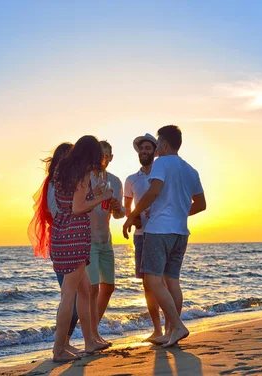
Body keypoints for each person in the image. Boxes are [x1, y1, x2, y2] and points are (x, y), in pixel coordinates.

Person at [122, 125, 206, 348]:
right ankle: (171, 332)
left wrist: (133, 215)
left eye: (158, 143)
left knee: (152, 280)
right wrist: (179, 211)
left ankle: (177, 326)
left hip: (159, 230)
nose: (156, 147)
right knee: (172, 281)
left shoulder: (161, 163)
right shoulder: (191, 170)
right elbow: (201, 205)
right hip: (181, 232)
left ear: (165, 144)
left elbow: (154, 191)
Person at [51, 135, 112, 362]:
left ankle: (89, 342)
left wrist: (91, 195)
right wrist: (101, 198)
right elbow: (77, 208)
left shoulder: (61, 169)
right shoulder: (83, 172)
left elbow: (68, 202)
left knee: (85, 290)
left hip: (60, 232)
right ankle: (58, 349)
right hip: (75, 234)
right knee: (69, 294)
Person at [27, 142, 81, 355]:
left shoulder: (70, 181)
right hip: (62, 241)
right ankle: (59, 346)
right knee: (70, 297)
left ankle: (65, 342)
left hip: (73, 241)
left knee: (78, 295)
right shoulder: (53, 183)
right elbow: (54, 211)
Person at [123, 133, 165, 342]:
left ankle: (172, 326)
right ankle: (157, 330)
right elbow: (127, 208)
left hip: (162, 232)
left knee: (165, 281)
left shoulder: (162, 174)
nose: (144, 152)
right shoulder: (131, 180)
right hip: (141, 236)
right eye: (141, 148)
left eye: (148, 148)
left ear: (155, 152)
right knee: (147, 285)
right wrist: (128, 215)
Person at [86, 140, 125, 344]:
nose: (103, 159)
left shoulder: (116, 181)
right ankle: (92, 335)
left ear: (110, 158)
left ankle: (94, 331)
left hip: (106, 241)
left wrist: (118, 207)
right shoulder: (85, 179)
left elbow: (119, 214)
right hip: (88, 240)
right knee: (92, 289)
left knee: (108, 288)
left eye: (107, 155)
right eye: (100, 155)